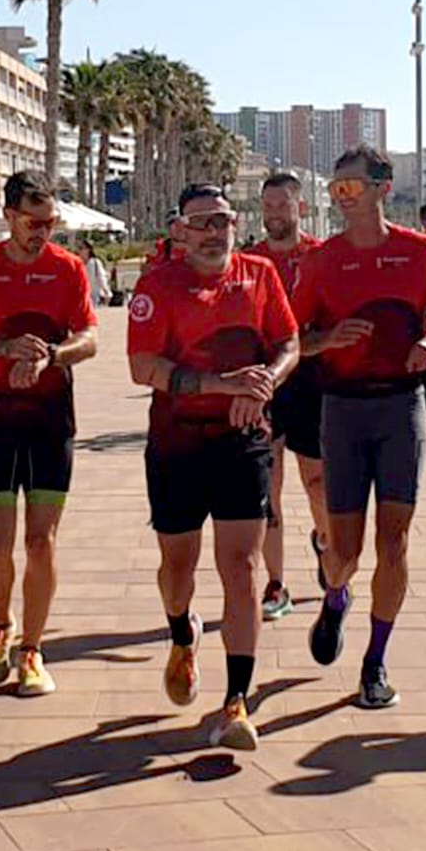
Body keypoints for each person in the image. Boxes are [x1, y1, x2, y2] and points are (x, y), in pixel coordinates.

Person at [292, 145, 426, 709]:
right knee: (344, 551)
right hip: (342, 409)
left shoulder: (420, 253)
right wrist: (325, 341)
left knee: (393, 542)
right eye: (336, 190)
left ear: (382, 188)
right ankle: (336, 594)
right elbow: (288, 339)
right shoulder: (322, 261)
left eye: (352, 187)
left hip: (401, 407)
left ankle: (375, 663)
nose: (343, 198)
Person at [127, 183, 300, 750]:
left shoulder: (258, 276)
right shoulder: (157, 286)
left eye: (221, 220)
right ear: (179, 230)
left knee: (242, 567)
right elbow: (142, 366)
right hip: (177, 444)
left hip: (242, 441)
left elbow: (289, 341)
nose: (213, 232)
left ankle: (236, 703)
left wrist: (265, 382)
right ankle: (182, 632)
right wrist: (219, 383)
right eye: (200, 222)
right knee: (178, 568)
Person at [0, 171, 100, 694]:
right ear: (8, 215)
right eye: (34, 222)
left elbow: (90, 338)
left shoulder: (68, 269)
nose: (43, 232)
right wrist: (3, 350)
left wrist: (50, 357)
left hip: (50, 419)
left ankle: (32, 649)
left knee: (40, 542)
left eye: (51, 223)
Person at [243, 170, 326, 623]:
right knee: (267, 488)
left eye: (283, 205)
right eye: (268, 206)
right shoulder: (250, 261)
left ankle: (323, 538)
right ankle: (276, 583)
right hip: (267, 384)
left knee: (318, 484)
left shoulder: (321, 257)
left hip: (313, 384)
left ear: (301, 208)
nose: (275, 214)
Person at [79, 239, 112, 307]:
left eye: (81, 248)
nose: (80, 251)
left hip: (94, 295)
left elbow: (101, 277)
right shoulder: (78, 263)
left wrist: (106, 291)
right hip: (81, 296)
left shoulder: (95, 262)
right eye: (79, 248)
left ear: (88, 249)